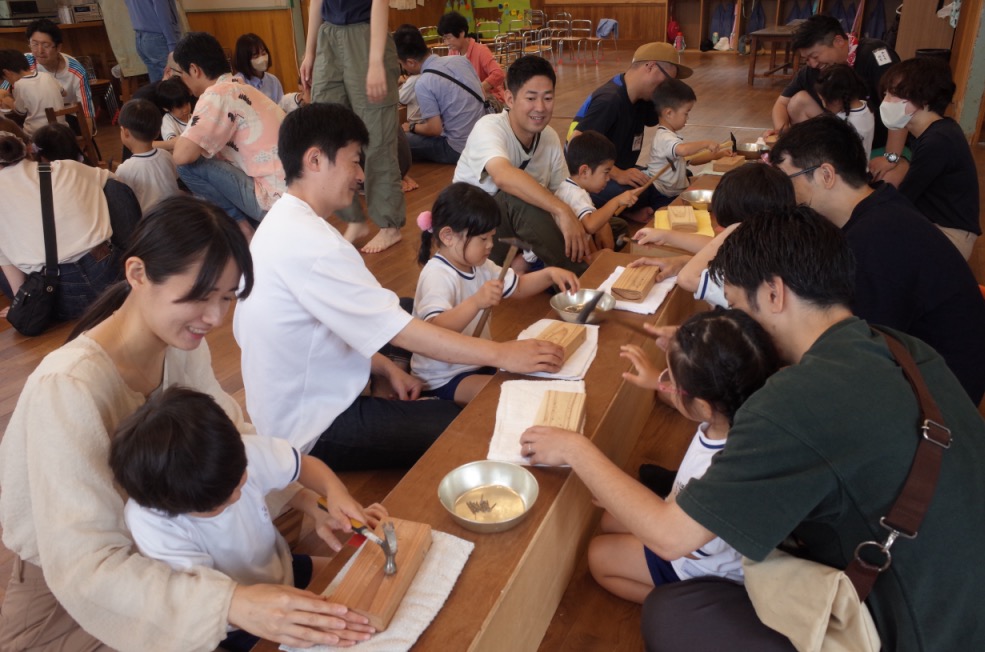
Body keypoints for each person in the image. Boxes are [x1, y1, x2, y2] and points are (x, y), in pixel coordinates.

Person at [0, 196, 376, 651]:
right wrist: (231, 603)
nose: (215, 318)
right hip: (85, 594)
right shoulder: (67, 387)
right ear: (137, 274)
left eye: (227, 297)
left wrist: (308, 499)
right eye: (200, 296)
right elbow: (85, 566)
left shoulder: (179, 344)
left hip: (178, 542)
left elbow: (233, 439)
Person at [234, 103, 565, 471]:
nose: (361, 175)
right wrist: (502, 354)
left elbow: (332, 327)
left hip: (299, 390)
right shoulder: (315, 246)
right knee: (460, 423)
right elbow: (400, 332)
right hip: (311, 426)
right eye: (354, 161)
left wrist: (383, 368)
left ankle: (395, 375)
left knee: (406, 307)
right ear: (315, 160)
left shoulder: (285, 221)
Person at [110, 386, 386, 652]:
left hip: (281, 568)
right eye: (218, 504)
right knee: (333, 634)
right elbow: (204, 595)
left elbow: (303, 465)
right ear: (171, 506)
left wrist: (335, 492)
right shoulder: (153, 524)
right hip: (239, 621)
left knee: (370, 581)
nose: (237, 496)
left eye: (240, 481)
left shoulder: (236, 451)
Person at [539, 310, 780, 603]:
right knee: (610, 519)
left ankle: (682, 603)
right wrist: (658, 381)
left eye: (672, 381)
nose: (668, 387)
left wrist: (632, 507)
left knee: (599, 556)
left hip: (702, 567)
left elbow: (687, 547)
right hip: (691, 525)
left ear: (703, 406)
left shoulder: (720, 466)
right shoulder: (735, 418)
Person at [771, 114, 985, 404]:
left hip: (939, 398)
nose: (785, 193)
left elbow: (856, 353)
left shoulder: (876, 240)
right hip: (925, 369)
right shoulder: (879, 207)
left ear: (826, 175)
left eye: (787, 180)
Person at [412, 182, 579, 405]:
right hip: (444, 377)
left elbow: (518, 287)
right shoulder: (437, 275)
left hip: (477, 361)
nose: (490, 245)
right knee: (509, 394)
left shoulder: (481, 265)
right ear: (448, 236)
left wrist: (549, 274)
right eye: (483, 239)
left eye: (492, 236)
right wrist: (475, 302)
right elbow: (435, 331)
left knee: (530, 378)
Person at [453, 56, 590, 275]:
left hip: (513, 235)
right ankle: (581, 277)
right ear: (509, 98)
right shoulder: (488, 128)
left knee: (606, 224)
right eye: (531, 98)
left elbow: (563, 188)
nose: (540, 107)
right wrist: (562, 210)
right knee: (517, 198)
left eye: (548, 98)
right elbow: (503, 177)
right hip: (474, 238)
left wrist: (587, 215)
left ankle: (533, 265)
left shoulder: (548, 136)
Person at [300, 0, 406, 254]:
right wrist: (309, 52)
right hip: (328, 35)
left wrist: (375, 61)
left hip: (366, 34)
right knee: (327, 133)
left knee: (376, 139)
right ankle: (353, 218)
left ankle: (390, 225)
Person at [171, 31, 286, 242]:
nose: (182, 81)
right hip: (292, 196)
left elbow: (182, 155)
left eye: (181, 74)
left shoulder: (217, 94)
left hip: (273, 201)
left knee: (186, 166)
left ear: (194, 70)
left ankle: (240, 225)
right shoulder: (240, 86)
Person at [632, 163, 796, 309]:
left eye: (729, 230)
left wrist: (733, 230)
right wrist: (667, 236)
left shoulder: (742, 279)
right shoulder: (776, 242)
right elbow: (721, 246)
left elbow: (687, 278)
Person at [770, 15, 905, 185]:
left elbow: (900, 106)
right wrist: (782, 134)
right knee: (798, 102)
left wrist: (890, 158)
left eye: (814, 56)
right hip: (841, 141)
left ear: (839, 41)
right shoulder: (813, 69)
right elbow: (781, 103)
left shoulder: (875, 55)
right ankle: (814, 157)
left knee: (886, 181)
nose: (812, 64)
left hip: (883, 143)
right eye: (807, 59)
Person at [0, 131, 119, 320]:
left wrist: (21, 304)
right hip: (111, 273)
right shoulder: (68, 167)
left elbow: (5, 259)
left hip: (58, 294)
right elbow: (117, 185)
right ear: (28, 150)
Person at [568, 42, 693, 212]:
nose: (668, 89)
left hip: (620, 168)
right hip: (593, 177)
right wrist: (617, 174)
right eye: (668, 81)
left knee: (678, 175)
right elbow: (575, 143)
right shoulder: (609, 100)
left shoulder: (643, 99)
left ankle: (626, 212)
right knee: (644, 192)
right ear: (650, 67)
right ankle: (612, 211)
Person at [880, 56, 980, 260]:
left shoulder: (938, 141)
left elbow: (905, 197)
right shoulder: (936, 131)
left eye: (895, 94)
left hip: (950, 237)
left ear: (924, 99)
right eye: (886, 93)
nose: (886, 101)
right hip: (934, 224)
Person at [393, 24, 485, 165]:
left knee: (397, 142)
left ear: (410, 62)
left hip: (458, 149)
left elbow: (434, 129)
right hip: (483, 139)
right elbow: (482, 93)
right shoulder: (461, 60)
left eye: (401, 64)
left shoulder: (424, 82)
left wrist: (411, 127)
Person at [0, 20, 95, 134]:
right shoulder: (26, 61)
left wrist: (86, 141)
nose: (39, 51)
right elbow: (3, 91)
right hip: (32, 116)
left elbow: (86, 113)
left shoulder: (77, 72)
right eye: (34, 44)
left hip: (67, 120)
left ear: (58, 47)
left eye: (45, 45)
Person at [643, 78, 725, 208]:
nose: (687, 118)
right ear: (669, 113)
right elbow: (684, 151)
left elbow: (693, 159)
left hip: (672, 191)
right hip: (663, 194)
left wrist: (720, 154)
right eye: (686, 113)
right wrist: (706, 143)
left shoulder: (672, 137)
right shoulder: (664, 137)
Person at [557, 130, 635, 252]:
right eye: (606, 172)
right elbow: (590, 226)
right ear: (584, 171)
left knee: (618, 228)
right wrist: (617, 201)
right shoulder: (576, 194)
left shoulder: (567, 187)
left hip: (575, 246)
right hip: (568, 252)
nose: (608, 178)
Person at [115, 98, 180, 212]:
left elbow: (123, 202)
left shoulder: (125, 170)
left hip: (150, 220)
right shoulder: (167, 156)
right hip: (176, 212)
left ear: (125, 132)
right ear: (157, 132)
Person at [436, 10, 506, 104]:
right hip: (468, 100)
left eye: (448, 38)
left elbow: (498, 74)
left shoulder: (480, 50)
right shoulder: (453, 52)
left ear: (461, 33)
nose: (446, 43)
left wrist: (476, 90)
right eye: (444, 38)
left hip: (488, 99)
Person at [0, 49, 65, 136]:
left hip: (39, 133)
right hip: (63, 129)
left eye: (5, 79)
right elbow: (64, 93)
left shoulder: (19, 85)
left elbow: (20, 112)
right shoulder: (46, 75)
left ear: (7, 73)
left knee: (12, 133)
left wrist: (10, 103)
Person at [815, 63, 874, 159]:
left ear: (837, 101)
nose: (824, 105)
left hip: (847, 167)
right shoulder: (865, 107)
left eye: (823, 100)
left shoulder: (847, 125)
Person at [122, 0, 182, 83]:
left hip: (142, 38)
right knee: (175, 82)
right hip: (159, 37)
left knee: (158, 85)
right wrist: (172, 45)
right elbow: (163, 13)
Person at [234, 33, 285, 105]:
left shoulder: (273, 81)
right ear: (245, 59)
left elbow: (281, 106)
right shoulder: (237, 83)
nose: (262, 58)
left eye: (263, 53)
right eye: (256, 56)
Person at [155, 75, 193, 147]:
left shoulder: (193, 116)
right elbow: (172, 142)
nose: (186, 109)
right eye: (180, 107)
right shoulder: (167, 120)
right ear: (166, 108)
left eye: (187, 103)